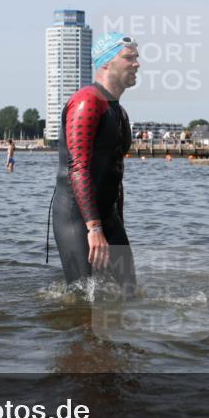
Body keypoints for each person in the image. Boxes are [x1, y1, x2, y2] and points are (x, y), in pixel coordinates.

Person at [52, 32, 137, 292]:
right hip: (77, 219)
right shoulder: (87, 101)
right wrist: (94, 227)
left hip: (107, 217)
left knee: (127, 293)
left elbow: (116, 173)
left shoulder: (118, 110)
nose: (137, 63)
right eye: (129, 57)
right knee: (85, 302)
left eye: (137, 57)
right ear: (106, 63)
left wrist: (117, 220)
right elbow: (77, 167)